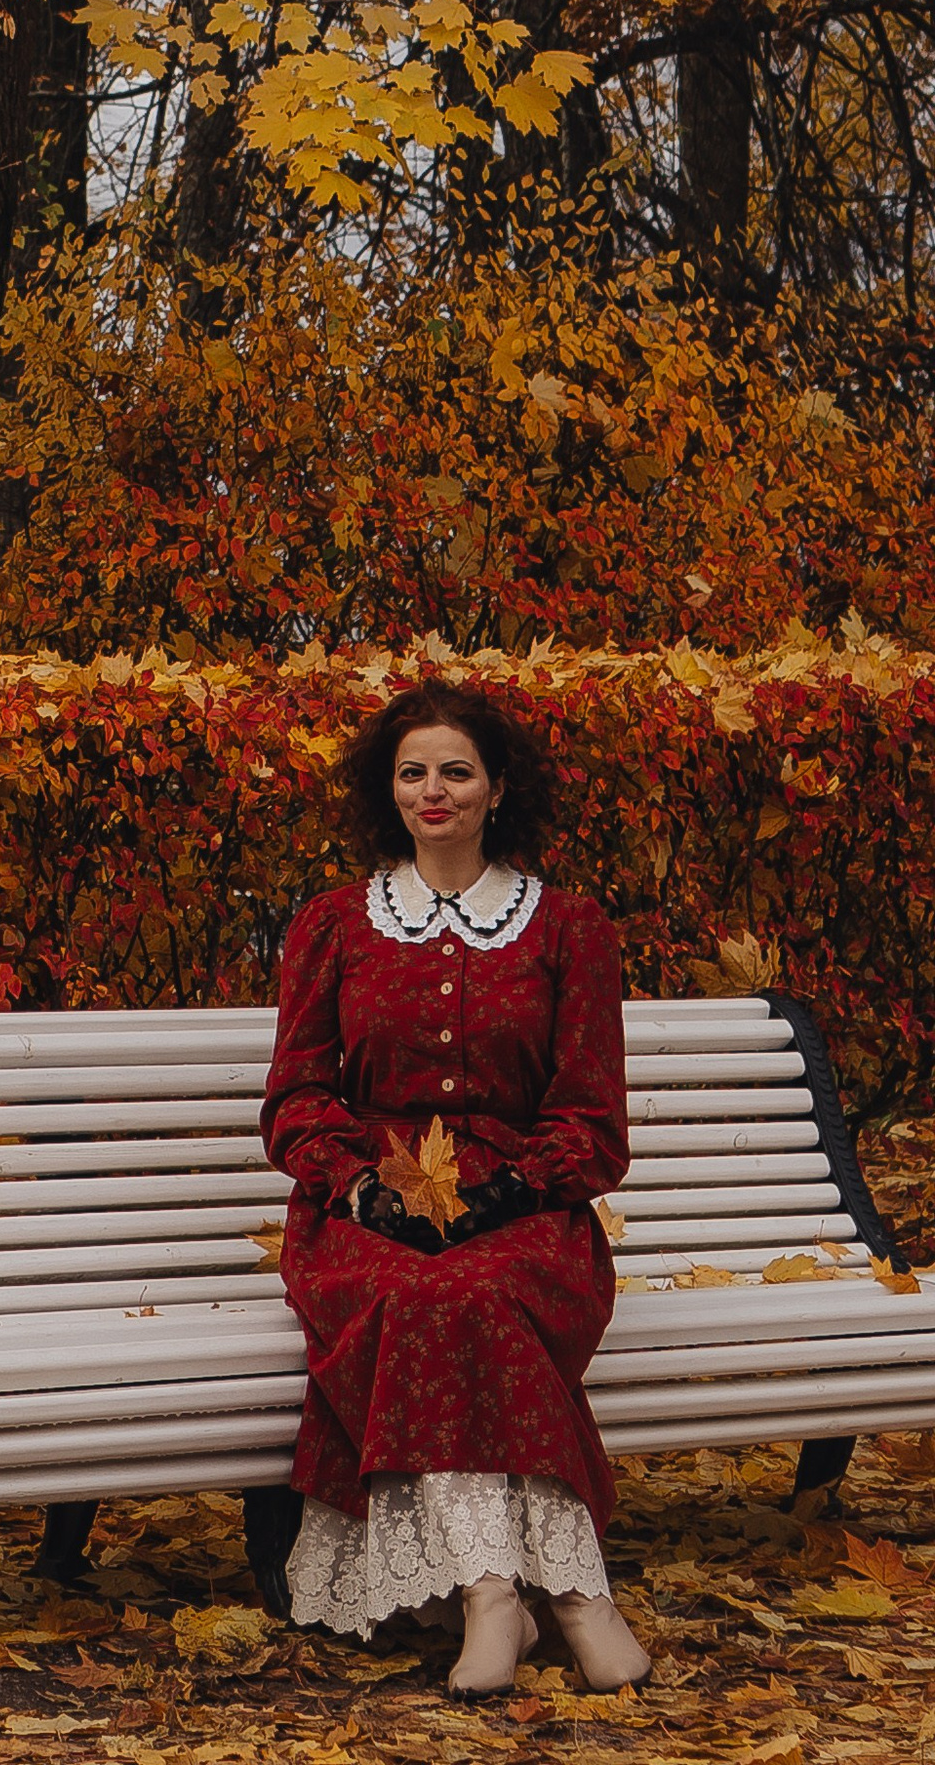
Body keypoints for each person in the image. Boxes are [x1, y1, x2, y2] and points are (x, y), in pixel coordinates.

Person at [259, 680, 652, 1695]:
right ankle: (518, 1596)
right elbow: (296, 1096)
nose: (433, 791)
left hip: (529, 1215)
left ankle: (554, 1595)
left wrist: (518, 1189)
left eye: (455, 771)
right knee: (423, 1293)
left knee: (474, 1290)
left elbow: (593, 1119)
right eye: (412, 772)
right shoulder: (334, 924)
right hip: (361, 1218)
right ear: (386, 791)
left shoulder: (568, 928)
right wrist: (353, 1184)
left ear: (496, 787)